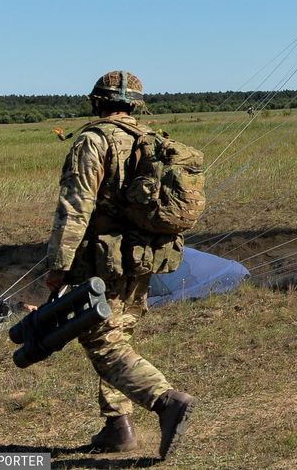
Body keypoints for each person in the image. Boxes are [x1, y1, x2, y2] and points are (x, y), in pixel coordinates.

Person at [45, 71, 194, 459]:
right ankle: (118, 427)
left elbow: (76, 208)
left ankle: (166, 401)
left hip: (102, 260)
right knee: (118, 335)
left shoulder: (93, 141)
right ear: (134, 105)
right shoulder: (150, 141)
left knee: (102, 341)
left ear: (98, 102)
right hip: (142, 256)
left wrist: (58, 265)